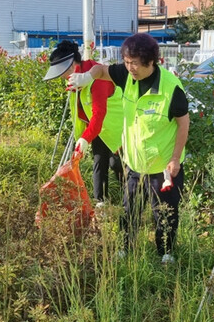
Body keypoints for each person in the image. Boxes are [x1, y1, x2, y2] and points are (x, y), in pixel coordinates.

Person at [67, 33, 189, 263]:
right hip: (134, 162)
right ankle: (125, 246)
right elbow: (101, 70)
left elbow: (183, 124)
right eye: (126, 61)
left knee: (163, 212)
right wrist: (86, 77)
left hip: (163, 165)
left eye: (134, 63)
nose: (129, 67)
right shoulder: (126, 75)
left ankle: (166, 252)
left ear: (151, 62)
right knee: (129, 208)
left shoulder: (171, 89)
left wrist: (175, 158)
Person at [44, 40, 123, 205]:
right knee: (99, 161)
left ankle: (131, 203)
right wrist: (83, 136)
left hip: (117, 126)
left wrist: (85, 138)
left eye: (63, 72)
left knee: (117, 164)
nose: (63, 77)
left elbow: (99, 113)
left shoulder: (97, 77)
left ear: (72, 64)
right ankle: (100, 203)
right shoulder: (75, 80)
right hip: (98, 128)